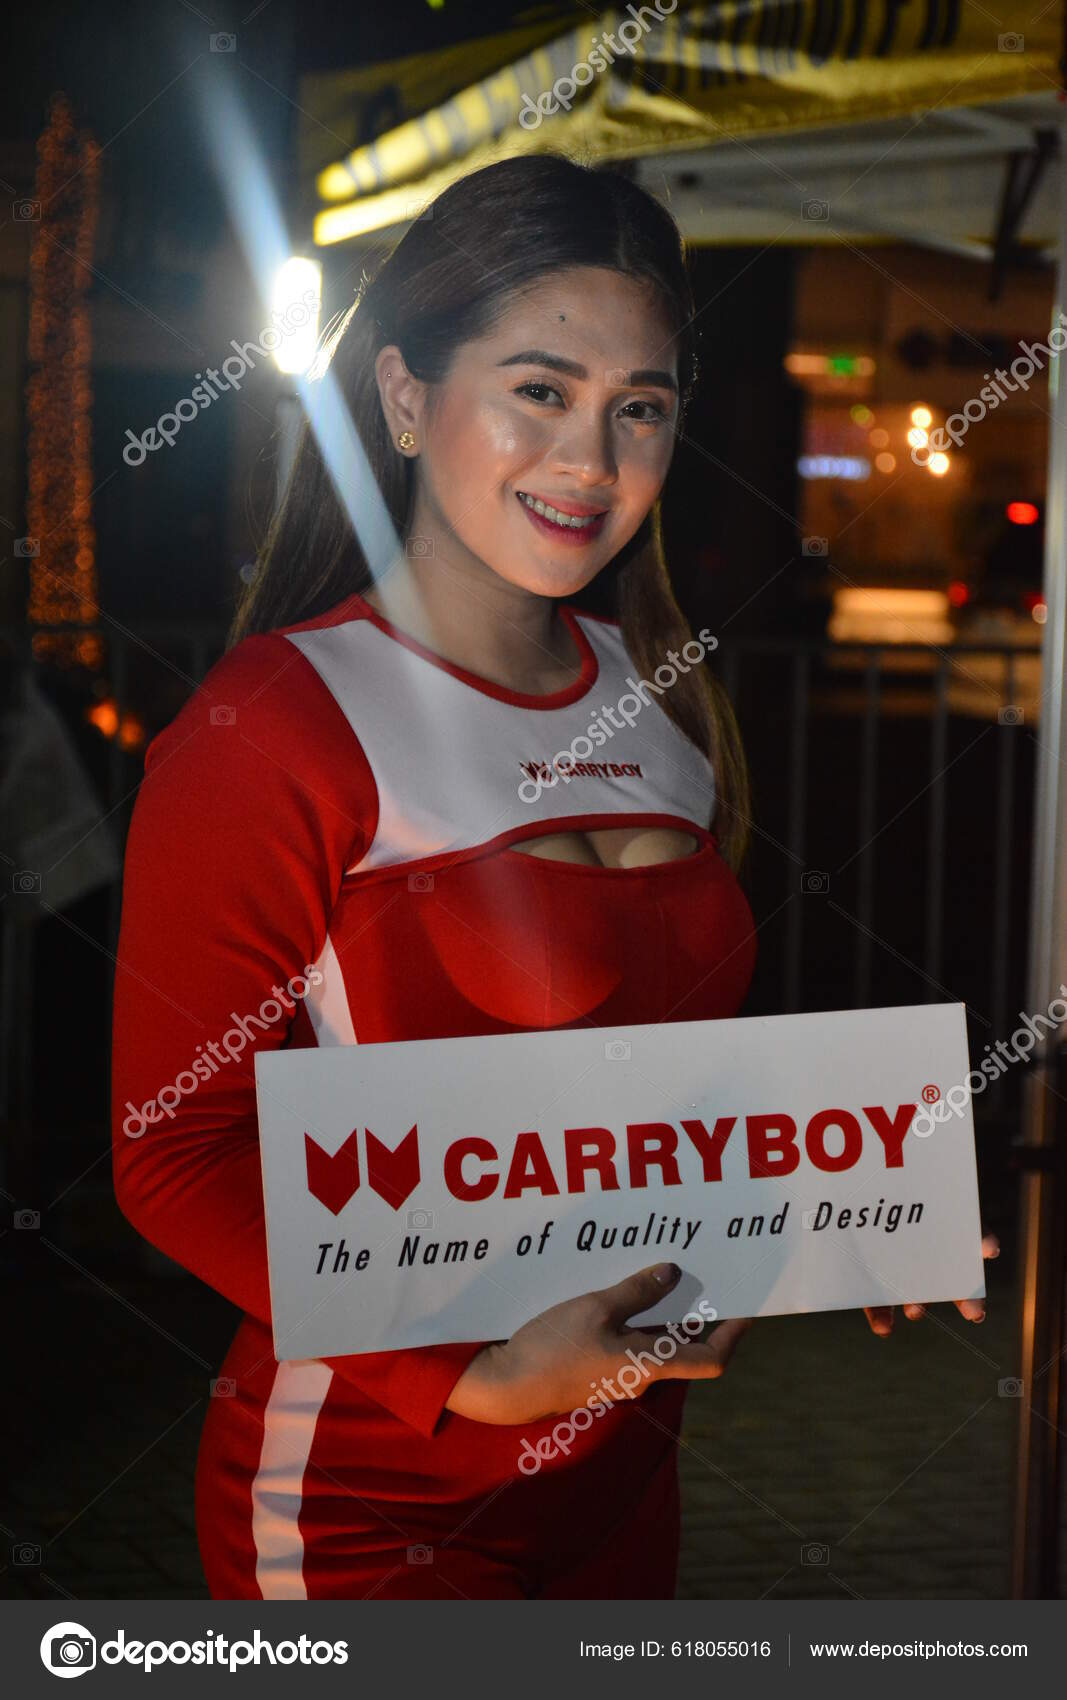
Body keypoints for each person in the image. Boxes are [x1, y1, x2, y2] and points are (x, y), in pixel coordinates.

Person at [111, 152, 993, 1603]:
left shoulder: (667, 702)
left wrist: (856, 1216)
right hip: (366, 1496)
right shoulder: (274, 723)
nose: (591, 459)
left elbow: (650, 1127)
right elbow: (171, 1151)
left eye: (638, 408)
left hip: (628, 1479)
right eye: (539, 388)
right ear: (404, 395)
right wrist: (471, 1368)